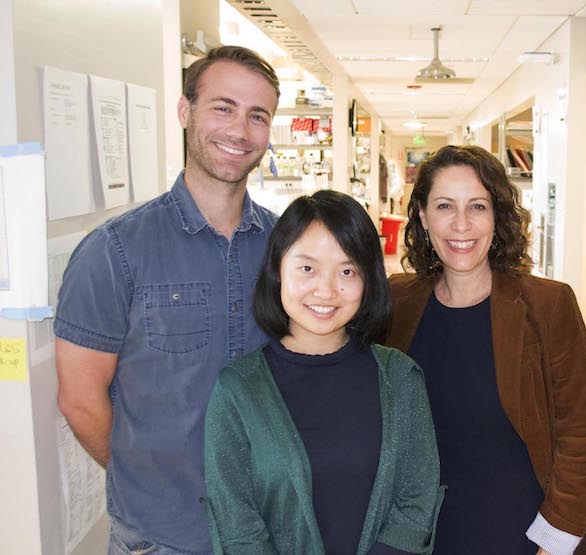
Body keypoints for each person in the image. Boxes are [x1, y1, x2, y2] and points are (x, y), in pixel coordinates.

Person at [54, 46, 280, 554]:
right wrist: (145, 477)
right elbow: (79, 398)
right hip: (160, 538)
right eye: (223, 107)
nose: (239, 131)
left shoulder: (286, 248)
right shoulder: (115, 251)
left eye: (257, 116)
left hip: (266, 529)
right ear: (185, 111)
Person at [203, 190, 442, 554]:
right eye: (307, 268)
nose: (326, 290)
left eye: (347, 271)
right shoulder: (238, 390)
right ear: (278, 270)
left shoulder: (399, 378)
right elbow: (236, 526)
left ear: (368, 281)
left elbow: (416, 500)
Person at [386, 145, 586, 555]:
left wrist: (556, 541)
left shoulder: (547, 305)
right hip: (417, 535)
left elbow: (580, 433)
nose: (461, 224)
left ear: (498, 217)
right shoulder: (396, 302)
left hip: (521, 533)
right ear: (423, 218)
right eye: (445, 206)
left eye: (478, 207)